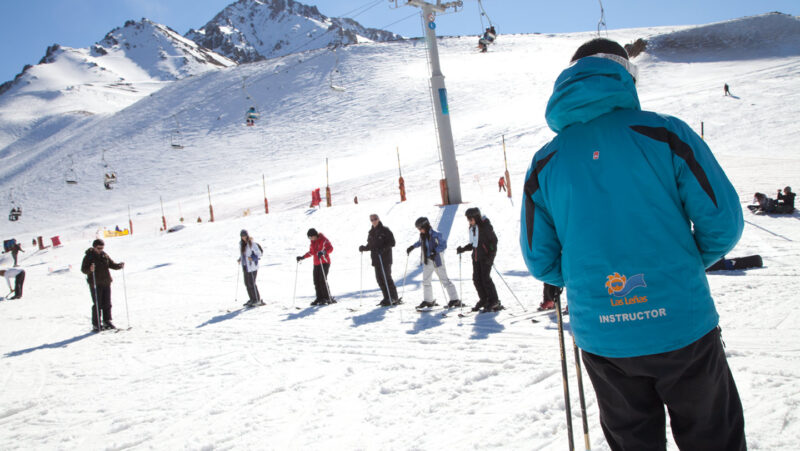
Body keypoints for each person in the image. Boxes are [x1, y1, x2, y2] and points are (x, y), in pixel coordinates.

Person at [520, 38, 746, 450]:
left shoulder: (545, 162)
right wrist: (685, 263)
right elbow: (724, 222)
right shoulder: (665, 133)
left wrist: (586, 281)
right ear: (625, 75)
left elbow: (540, 259)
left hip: (603, 336)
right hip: (682, 323)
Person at [406, 217, 460, 309]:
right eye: (418, 229)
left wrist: (435, 251)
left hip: (437, 260)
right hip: (427, 260)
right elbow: (420, 242)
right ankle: (428, 300)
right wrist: (412, 247)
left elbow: (443, 245)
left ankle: (455, 299)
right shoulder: (422, 235)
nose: (419, 230)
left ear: (425, 226)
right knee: (426, 281)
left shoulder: (436, 234)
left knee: (444, 280)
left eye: (420, 228)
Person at [456, 208, 501, 312]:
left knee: (485, 279)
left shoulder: (485, 227)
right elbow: (473, 244)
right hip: (476, 257)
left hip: (485, 258)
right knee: (476, 279)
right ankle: (484, 299)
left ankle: (494, 301)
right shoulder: (472, 228)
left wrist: (491, 257)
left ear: (476, 217)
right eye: (468, 219)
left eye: (470, 219)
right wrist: (463, 249)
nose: (469, 221)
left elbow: (493, 241)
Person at [81, 239, 125, 331]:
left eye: (102, 248)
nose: (100, 249)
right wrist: (90, 269)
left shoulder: (104, 255)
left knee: (107, 303)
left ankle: (107, 321)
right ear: (94, 247)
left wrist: (119, 266)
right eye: (99, 248)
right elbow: (83, 269)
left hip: (106, 282)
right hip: (95, 283)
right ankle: (96, 324)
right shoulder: (89, 257)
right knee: (98, 304)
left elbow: (111, 264)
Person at [359, 214, 400, 306]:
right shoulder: (371, 232)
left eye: (375, 219)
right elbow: (370, 245)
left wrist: (383, 249)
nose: (374, 221)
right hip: (376, 259)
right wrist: (364, 248)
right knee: (380, 279)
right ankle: (386, 297)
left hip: (385, 258)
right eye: (372, 220)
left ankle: (393, 297)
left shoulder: (385, 230)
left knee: (387, 277)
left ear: (379, 219)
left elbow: (392, 242)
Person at [296, 228, 334, 305]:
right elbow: (311, 252)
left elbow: (330, 248)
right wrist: (302, 257)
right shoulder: (312, 243)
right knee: (316, 280)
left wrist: (323, 252)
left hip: (324, 262)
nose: (310, 239)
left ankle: (327, 297)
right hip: (316, 263)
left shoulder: (323, 240)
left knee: (322, 279)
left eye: (311, 237)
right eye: (309, 238)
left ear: (315, 235)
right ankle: (319, 298)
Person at [238, 230, 263, 307]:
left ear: (247, 235)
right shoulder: (241, 244)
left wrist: (252, 258)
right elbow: (244, 254)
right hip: (245, 266)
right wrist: (240, 259)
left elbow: (259, 254)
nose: (243, 237)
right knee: (247, 283)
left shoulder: (252, 243)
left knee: (252, 283)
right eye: (242, 236)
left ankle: (257, 299)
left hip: (252, 266)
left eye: (245, 235)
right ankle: (252, 299)